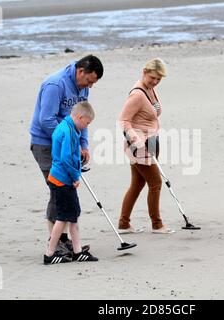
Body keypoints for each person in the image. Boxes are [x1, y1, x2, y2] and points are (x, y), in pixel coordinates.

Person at [30, 55, 104, 255]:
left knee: (64, 192)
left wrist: (83, 145)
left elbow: (83, 117)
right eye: (89, 81)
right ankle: (56, 244)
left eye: (93, 84)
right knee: (58, 190)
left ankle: (63, 241)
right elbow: (46, 120)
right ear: (81, 71)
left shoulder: (83, 88)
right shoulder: (56, 84)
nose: (89, 87)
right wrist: (70, 142)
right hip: (45, 144)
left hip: (67, 143)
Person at [117, 58, 175, 234]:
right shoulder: (138, 94)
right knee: (156, 183)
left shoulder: (150, 90)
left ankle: (124, 224)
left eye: (159, 79)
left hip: (150, 142)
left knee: (137, 184)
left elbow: (152, 113)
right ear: (144, 71)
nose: (155, 82)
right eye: (152, 78)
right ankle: (157, 225)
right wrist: (136, 140)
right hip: (139, 145)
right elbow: (123, 120)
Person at [44, 102, 98, 264]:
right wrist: (75, 176)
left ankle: (77, 251)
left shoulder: (66, 127)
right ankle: (50, 253)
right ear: (80, 117)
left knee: (73, 216)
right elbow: (66, 158)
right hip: (62, 181)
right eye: (87, 123)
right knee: (63, 218)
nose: (85, 127)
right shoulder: (68, 131)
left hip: (60, 178)